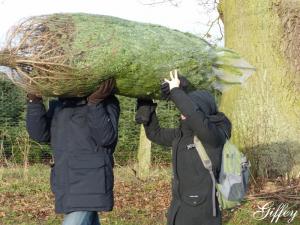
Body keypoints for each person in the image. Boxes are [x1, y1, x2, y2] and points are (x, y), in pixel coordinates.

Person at [136, 70, 231, 225]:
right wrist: (146, 106)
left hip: (202, 215)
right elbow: (155, 134)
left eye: (186, 108)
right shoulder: (182, 134)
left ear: (203, 112)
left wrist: (175, 91)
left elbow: (195, 116)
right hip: (178, 210)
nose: (182, 112)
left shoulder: (214, 137)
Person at [26, 78, 120, 225]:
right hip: (66, 181)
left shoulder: (106, 101)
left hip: (90, 182)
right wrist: (35, 102)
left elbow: (106, 138)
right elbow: (40, 134)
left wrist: (94, 104)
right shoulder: (60, 104)